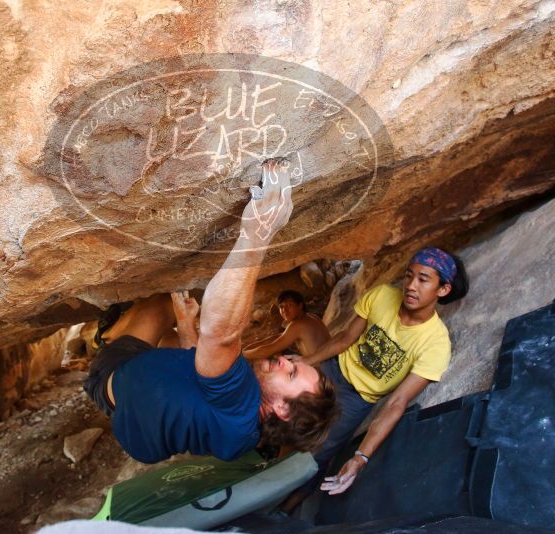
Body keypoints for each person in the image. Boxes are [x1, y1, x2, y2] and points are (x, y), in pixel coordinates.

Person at [83, 159, 338, 464]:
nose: (285, 360)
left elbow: (220, 334)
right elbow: (207, 379)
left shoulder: (243, 401)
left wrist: (258, 233)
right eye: (293, 360)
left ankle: (108, 334)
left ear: (282, 410)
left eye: (292, 372)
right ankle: (167, 329)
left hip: (114, 373)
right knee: (178, 319)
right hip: (136, 424)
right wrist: (187, 328)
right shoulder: (245, 437)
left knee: (160, 304)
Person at [281, 247, 469, 509]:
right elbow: (345, 339)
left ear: (443, 290)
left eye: (423, 279)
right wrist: (307, 361)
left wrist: (361, 457)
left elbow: (397, 402)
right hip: (333, 371)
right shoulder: (382, 296)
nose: (411, 286)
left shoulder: (435, 344)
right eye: (409, 276)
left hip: (357, 400)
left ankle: (283, 511)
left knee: (314, 458)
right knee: (280, 414)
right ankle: (250, 481)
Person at [243, 290, 331, 359]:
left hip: (322, 373)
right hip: (327, 364)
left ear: (300, 306)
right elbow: (277, 338)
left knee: (270, 357)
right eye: (281, 306)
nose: (284, 310)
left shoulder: (297, 325)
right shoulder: (310, 317)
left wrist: (242, 355)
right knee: (279, 351)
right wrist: (246, 349)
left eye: (289, 305)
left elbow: (266, 351)